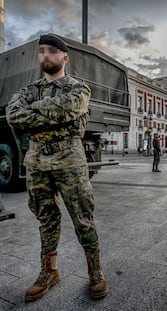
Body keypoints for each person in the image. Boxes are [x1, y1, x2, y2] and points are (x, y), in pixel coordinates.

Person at [6, 34, 108, 301]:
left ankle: (95, 271)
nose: (46, 56)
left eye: (52, 51)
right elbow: (13, 114)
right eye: (41, 51)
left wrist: (35, 116)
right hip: (38, 163)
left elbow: (70, 108)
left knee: (82, 217)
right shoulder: (27, 91)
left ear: (65, 57)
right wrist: (52, 114)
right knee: (46, 218)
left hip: (70, 162)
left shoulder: (78, 88)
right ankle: (49, 271)